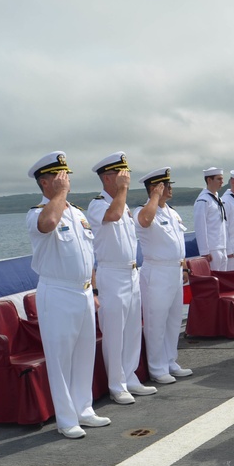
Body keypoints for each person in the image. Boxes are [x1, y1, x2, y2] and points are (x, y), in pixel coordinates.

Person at [25, 151, 111, 439]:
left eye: (67, 176)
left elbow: (90, 255)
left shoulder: (77, 213)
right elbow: (48, 225)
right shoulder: (37, 213)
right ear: (45, 182)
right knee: (61, 358)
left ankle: (84, 409)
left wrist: (95, 290)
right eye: (60, 177)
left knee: (85, 354)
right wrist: (59, 196)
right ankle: (66, 419)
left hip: (84, 292)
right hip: (57, 292)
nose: (67, 181)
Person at [87, 151, 157, 405]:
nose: (125, 178)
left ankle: (131, 376)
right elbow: (112, 216)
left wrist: (122, 193)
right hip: (111, 274)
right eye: (120, 174)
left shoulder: (123, 203)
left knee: (131, 330)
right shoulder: (98, 204)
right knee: (114, 331)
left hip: (131, 272)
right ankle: (116, 385)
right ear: (107, 178)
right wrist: (123, 190)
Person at [134, 167, 194, 385]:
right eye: (165, 185)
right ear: (155, 188)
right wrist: (155, 198)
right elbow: (144, 222)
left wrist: (185, 268)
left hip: (175, 271)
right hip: (157, 271)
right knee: (156, 322)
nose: (170, 189)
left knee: (173, 319)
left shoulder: (172, 212)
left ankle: (170, 361)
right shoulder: (143, 211)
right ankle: (157, 368)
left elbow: (179, 244)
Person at [193, 167, 230, 271]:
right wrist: (204, 251)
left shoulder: (217, 199)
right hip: (212, 249)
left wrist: (226, 246)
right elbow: (200, 226)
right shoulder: (203, 200)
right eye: (219, 179)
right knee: (214, 280)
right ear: (209, 180)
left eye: (222, 179)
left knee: (223, 282)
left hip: (222, 247)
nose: (222, 182)